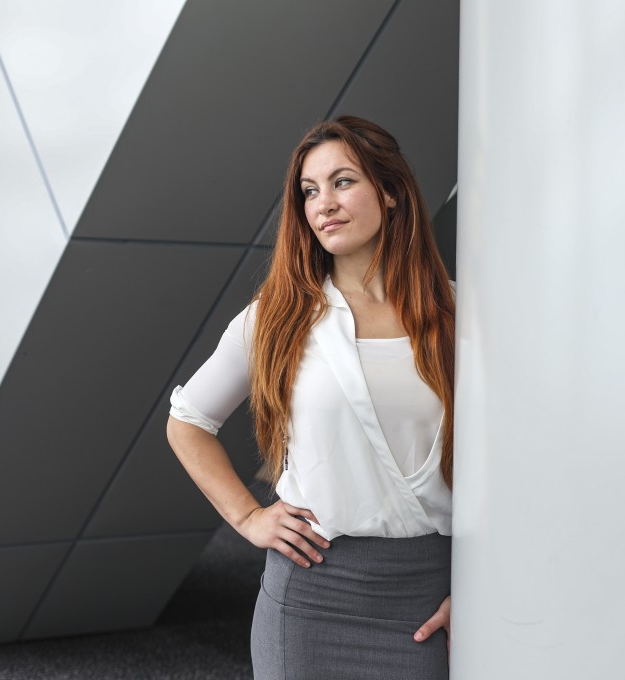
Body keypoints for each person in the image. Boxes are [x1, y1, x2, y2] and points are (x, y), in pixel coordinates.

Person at [166, 115, 456, 679]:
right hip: (310, 601)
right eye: (309, 190)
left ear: (391, 192)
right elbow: (187, 421)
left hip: (425, 599)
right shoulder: (278, 318)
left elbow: (512, 467)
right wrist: (249, 516)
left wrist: (479, 593)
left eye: (343, 181)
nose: (324, 202)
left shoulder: (458, 314)